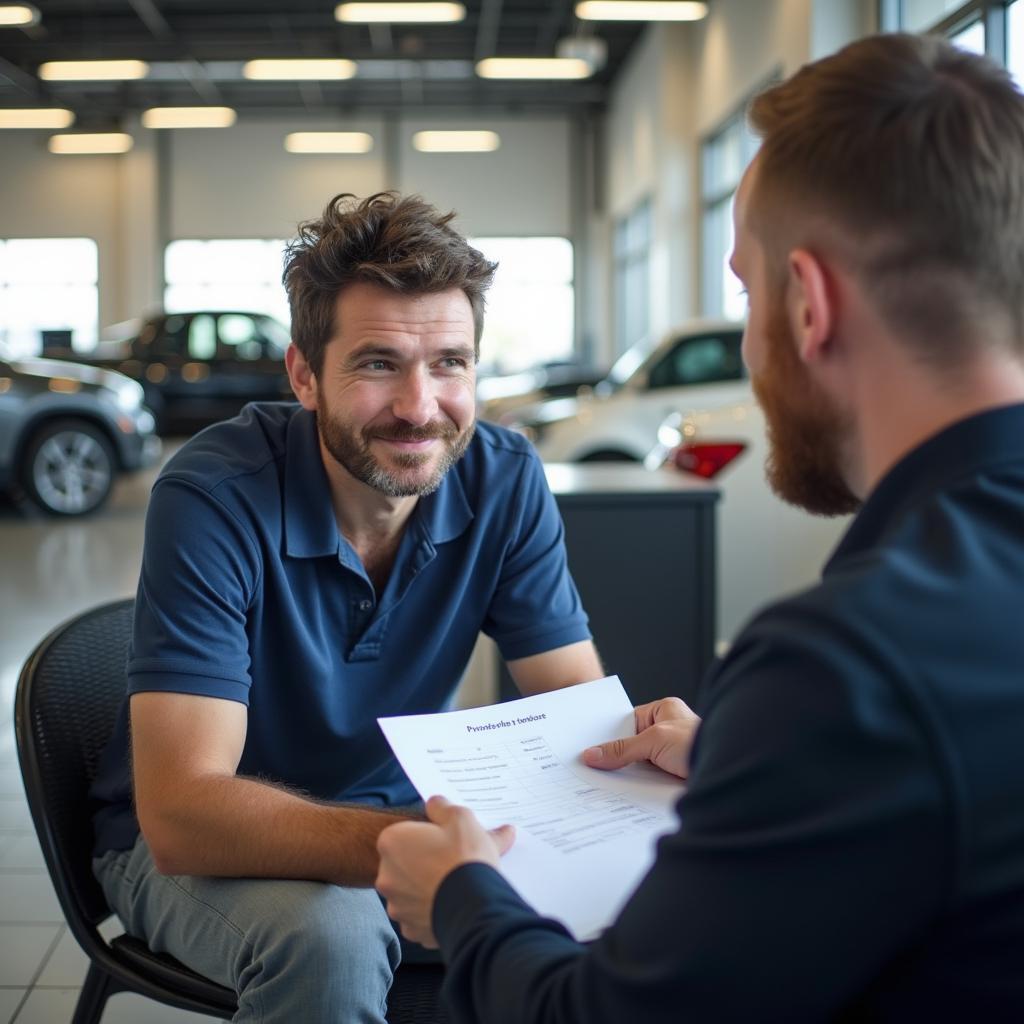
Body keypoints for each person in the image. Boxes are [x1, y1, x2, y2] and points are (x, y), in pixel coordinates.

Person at [375, 32, 1024, 1023]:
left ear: (806, 303)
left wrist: (464, 898)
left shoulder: (845, 666)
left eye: (746, 290)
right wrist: (739, 758)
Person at [88, 192, 604, 1023]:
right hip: (197, 847)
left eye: (450, 363)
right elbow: (184, 812)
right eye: (376, 364)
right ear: (304, 375)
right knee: (330, 938)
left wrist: (654, 770)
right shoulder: (215, 494)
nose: (419, 406)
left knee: (628, 907)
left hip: (396, 813)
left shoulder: (504, 477)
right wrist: (421, 851)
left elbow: (574, 715)